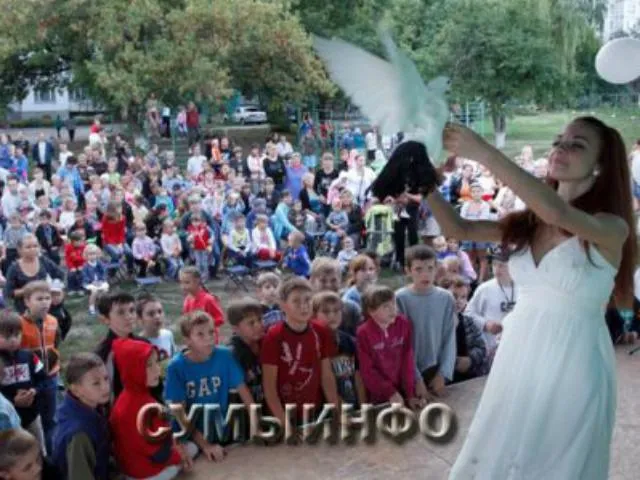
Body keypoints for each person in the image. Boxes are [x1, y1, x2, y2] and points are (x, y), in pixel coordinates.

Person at [424, 119, 637, 478]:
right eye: (558, 141)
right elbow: (458, 228)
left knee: (556, 463)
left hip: (575, 361)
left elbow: (559, 213)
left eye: (577, 145)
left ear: (600, 165)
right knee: (497, 454)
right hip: (518, 355)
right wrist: (423, 183)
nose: (560, 149)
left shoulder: (612, 227)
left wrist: (483, 153)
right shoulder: (528, 224)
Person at [164, 311, 253, 457]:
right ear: (187, 340)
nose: (209, 338)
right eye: (200, 334)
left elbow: (243, 391)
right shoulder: (176, 367)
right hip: (190, 434)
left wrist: (258, 425)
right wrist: (205, 445)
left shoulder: (225, 356)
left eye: (211, 332)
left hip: (218, 428)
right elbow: (179, 412)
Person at [260, 277, 340, 430]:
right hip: (284, 415)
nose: (303, 306)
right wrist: (285, 425)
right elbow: (269, 388)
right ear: (283, 305)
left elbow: (327, 376)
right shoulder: (274, 336)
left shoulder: (320, 331)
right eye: (296, 301)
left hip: (315, 412)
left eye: (308, 300)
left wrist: (336, 411)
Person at [110, 338, 196, 479]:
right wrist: (180, 457)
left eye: (156, 362)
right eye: (148, 365)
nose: (157, 369)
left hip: (130, 466)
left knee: (185, 446)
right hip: (144, 472)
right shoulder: (142, 406)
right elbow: (160, 455)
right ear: (132, 369)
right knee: (191, 449)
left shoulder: (129, 396)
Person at [395, 245, 456, 398]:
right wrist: (415, 378)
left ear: (436, 269)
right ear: (408, 271)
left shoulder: (446, 298)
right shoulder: (400, 298)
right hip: (409, 369)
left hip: (436, 369)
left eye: (430, 268)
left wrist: (444, 373)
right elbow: (401, 343)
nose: (425, 274)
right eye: (418, 269)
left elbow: (449, 337)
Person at [356, 285, 425, 408]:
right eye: (385, 306)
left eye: (393, 303)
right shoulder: (363, 333)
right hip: (379, 396)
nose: (393, 309)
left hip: (404, 391)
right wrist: (390, 392)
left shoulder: (403, 323)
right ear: (371, 311)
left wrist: (410, 393)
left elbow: (407, 359)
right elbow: (367, 370)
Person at [52, 353, 110, 480]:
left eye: (106, 378)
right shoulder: (79, 434)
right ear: (76, 390)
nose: (105, 387)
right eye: (96, 383)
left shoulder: (92, 407)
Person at [19, 282, 60, 454]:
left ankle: (51, 455)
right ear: (27, 301)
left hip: (51, 376)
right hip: (30, 381)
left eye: (47, 298)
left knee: (50, 419)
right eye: (39, 299)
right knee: (32, 421)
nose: (45, 302)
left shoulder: (53, 321)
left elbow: (56, 344)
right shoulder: (19, 324)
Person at [0, 310, 47, 450]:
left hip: (32, 415)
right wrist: (12, 400)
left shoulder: (29, 356)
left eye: (17, 335)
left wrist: (34, 391)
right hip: (8, 419)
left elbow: (43, 379)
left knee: (39, 447)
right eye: (6, 336)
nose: (13, 340)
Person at [312, 291, 366, 407]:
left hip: (352, 402)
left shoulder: (348, 340)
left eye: (336, 311)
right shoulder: (313, 342)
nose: (332, 316)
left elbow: (358, 376)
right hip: (328, 408)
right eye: (326, 312)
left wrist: (363, 404)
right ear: (314, 315)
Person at [464, 247, 517, 364]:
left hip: (516, 345)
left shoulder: (522, 289)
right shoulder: (484, 289)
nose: (497, 269)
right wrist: (485, 324)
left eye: (502, 265)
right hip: (490, 348)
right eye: (494, 264)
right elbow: (468, 314)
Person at [439, 276, 488, 383]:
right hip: (442, 380)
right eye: (454, 296)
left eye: (463, 297)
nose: (459, 301)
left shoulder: (467, 321)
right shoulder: (435, 324)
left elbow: (481, 348)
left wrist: (470, 360)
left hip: (465, 378)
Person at [179, 267, 224, 344]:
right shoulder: (188, 299)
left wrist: (205, 328)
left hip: (208, 340)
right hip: (195, 340)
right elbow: (186, 318)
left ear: (197, 281)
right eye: (181, 282)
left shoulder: (208, 299)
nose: (183, 286)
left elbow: (220, 319)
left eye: (187, 282)